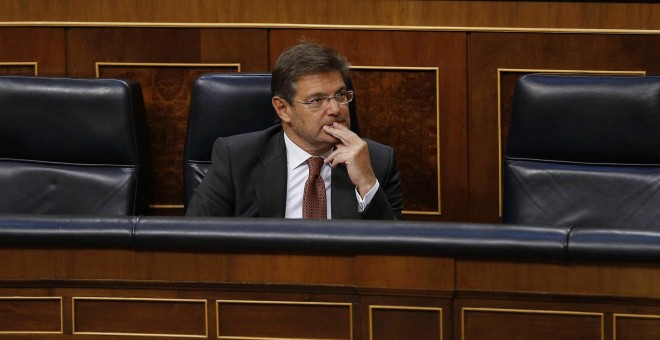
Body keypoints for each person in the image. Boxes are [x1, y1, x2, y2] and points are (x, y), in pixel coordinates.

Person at [186, 42, 403, 219]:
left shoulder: (377, 161)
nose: (336, 109)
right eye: (316, 100)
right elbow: (194, 239)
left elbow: (395, 254)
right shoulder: (237, 159)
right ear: (283, 109)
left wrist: (366, 182)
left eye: (340, 95)